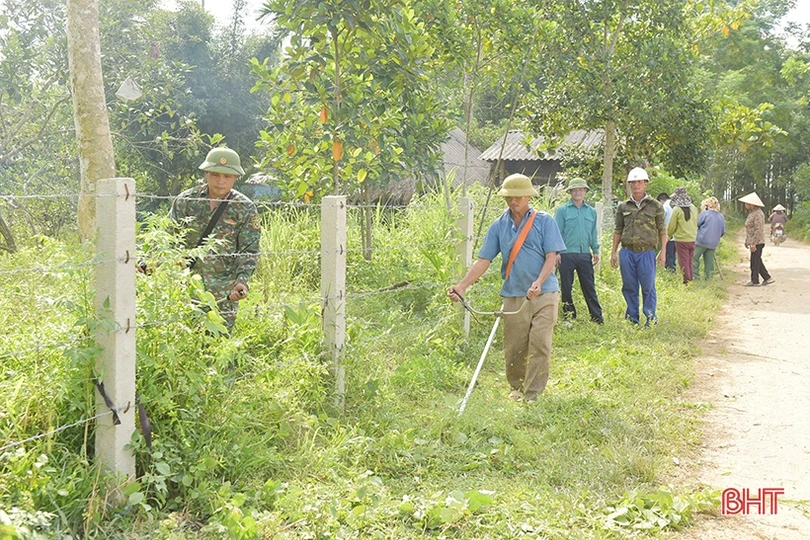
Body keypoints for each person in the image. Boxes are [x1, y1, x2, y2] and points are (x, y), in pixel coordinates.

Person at [448, 173, 566, 403]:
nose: (513, 202)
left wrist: (539, 282)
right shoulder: (498, 226)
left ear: (528, 197)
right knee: (515, 346)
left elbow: (552, 257)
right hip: (514, 294)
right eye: (509, 197)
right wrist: (462, 286)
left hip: (545, 293)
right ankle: (517, 387)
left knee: (540, 342)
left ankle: (533, 393)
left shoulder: (545, 221)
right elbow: (484, 260)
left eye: (519, 197)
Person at [169, 147, 262, 329]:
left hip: (224, 293)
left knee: (218, 343)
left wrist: (241, 281)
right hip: (186, 286)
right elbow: (169, 236)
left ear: (236, 177)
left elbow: (249, 250)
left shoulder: (245, 208)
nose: (221, 181)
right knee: (185, 341)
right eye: (215, 175)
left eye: (227, 176)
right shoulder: (186, 200)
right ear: (206, 174)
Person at [610, 167, 667, 327]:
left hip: (646, 253)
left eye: (639, 182)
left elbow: (662, 230)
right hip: (627, 252)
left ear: (646, 184)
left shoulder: (655, 205)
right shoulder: (623, 206)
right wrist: (613, 252)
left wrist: (663, 252)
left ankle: (650, 317)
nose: (636, 185)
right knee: (629, 286)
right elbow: (618, 230)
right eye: (633, 182)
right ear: (629, 185)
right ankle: (632, 319)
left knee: (648, 286)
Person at [554, 177, 603, 324]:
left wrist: (595, 250)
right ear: (570, 192)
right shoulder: (562, 210)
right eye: (575, 190)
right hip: (566, 254)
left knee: (589, 286)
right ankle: (569, 317)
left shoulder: (591, 212)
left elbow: (593, 233)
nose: (578, 192)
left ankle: (597, 317)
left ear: (585, 191)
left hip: (584, 254)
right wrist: (556, 252)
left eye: (581, 190)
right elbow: (557, 232)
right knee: (566, 286)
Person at [739, 192, 774, 287]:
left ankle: (755, 281)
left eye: (747, 203)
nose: (745, 205)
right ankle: (767, 278)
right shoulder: (752, 213)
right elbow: (749, 229)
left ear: (752, 204)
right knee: (756, 261)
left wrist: (754, 243)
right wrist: (747, 241)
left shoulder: (758, 214)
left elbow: (758, 230)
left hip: (758, 242)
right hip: (753, 241)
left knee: (755, 262)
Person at [667, 187, 698, 284]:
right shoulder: (694, 208)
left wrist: (668, 236)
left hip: (681, 240)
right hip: (692, 239)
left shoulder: (677, 209)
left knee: (683, 262)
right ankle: (690, 279)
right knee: (689, 261)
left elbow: (672, 226)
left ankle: (687, 282)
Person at [693, 197, 726, 280]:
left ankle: (695, 276)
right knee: (709, 261)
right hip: (713, 242)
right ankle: (709, 278)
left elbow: (697, 224)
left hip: (702, 240)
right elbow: (722, 231)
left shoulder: (705, 214)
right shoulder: (721, 216)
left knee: (694, 258)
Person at [657, 192, 677, 272]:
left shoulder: (665, 207)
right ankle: (672, 268)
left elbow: (661, 220)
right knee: (672, 254)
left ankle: (670, 270)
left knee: (668, 253)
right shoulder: (674, 205)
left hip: (667, 234)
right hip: (676, 235)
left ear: (661, 200)